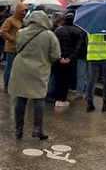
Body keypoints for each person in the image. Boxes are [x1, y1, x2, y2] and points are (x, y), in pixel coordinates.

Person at [9, 10, 61, 139]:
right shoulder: (50, 35)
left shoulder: (21, 32)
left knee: (21, 98)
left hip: (21, 69)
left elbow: (17, 47)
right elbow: (56, 55)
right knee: (39, 98)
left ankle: (19, 129)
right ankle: (38, 129)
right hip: (40, 69)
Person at [52, 13, 84, 107]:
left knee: (59, 79)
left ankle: (57, 99)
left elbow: (55, 45)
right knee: (66, 79)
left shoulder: (58, 30)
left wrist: (60, 57)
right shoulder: (78, 32)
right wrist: (70, 58)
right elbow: (78, 47)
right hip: (71, 60)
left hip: (59, 59)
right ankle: (63, 99)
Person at [0, 2, 27, 92]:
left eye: (24, 12)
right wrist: (12, 39)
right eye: (22, 12)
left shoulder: (23, 20)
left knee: (18, 68)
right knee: (9, 67)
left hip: (20, 48)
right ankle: (6, 86)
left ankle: (15, 85)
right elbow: (2, 32)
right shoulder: (10, 20)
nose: (23, 14)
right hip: (11, 48)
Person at [86, 33, 106, 112]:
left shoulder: (90, 27)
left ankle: (90, 103)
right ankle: (105, 103)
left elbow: (87, 41)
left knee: (92, 80)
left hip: (93, 56)